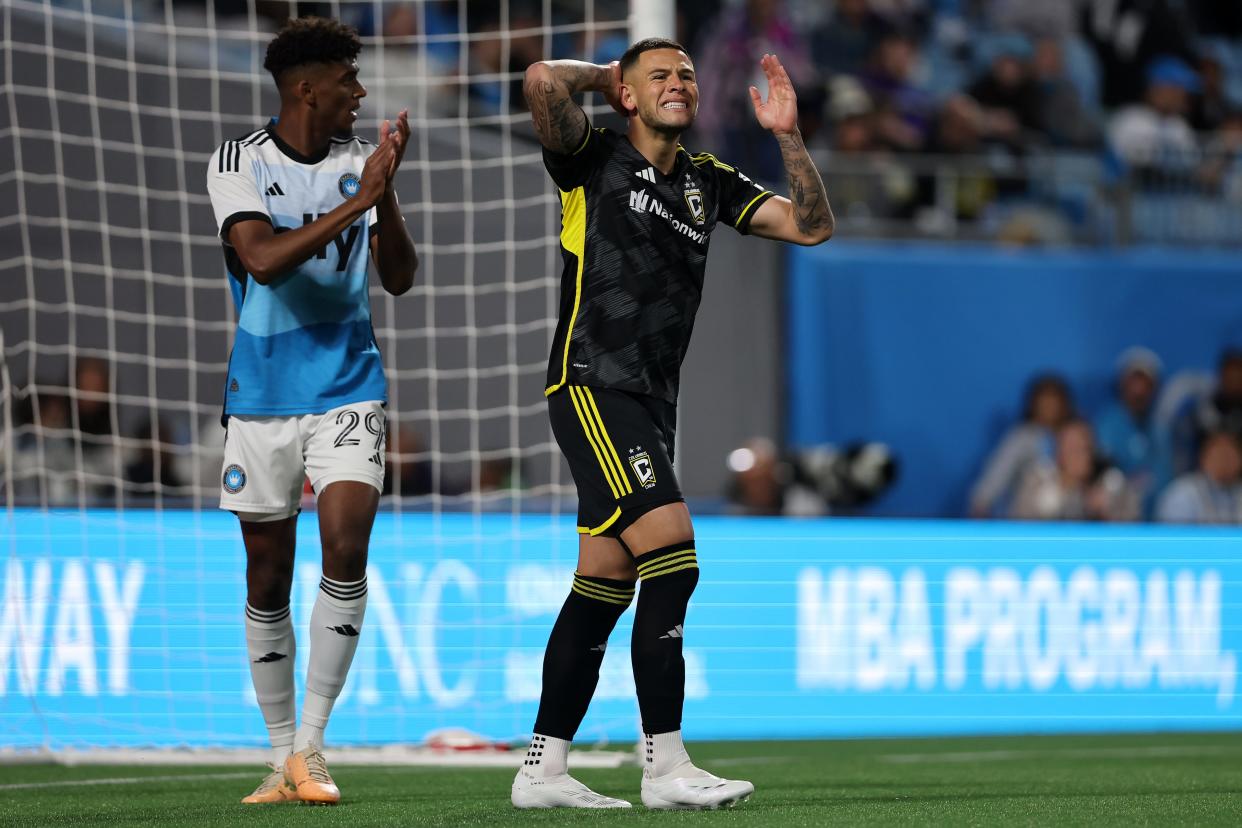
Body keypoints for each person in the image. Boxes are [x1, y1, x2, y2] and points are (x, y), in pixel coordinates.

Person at [513, 38, 833, 810]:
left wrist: (788, 134)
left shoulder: (708, 182)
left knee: (604, 581)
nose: (679, 84)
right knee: (676, 557)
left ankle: (542, 771)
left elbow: (812, 227)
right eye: (660, 75)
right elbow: (537, 81)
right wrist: (607, 76)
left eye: (687, 74)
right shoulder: (590, 158)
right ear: (627, 95)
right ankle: (665, 765)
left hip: (653, 401)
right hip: (592, 383)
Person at [205, 17, 418, 806]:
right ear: (306, 89)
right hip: (260, 395)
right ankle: (277, 755)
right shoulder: (238, 161)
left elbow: (397, 278)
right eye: (347, 81)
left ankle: (312, 748)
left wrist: (383, 200)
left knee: (345, 546)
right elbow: (259, 259)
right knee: (267, 575)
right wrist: (357, 200)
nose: (359, 94)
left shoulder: (363, 163)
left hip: (348, 386)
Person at [970, 374, 1074, 518]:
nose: (1050, 408)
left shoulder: (1075, 435)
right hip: (1025, 521)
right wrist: (981, 503)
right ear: (1034, 405)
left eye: (1054, 401)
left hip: (1070, 523)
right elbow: (996, 475)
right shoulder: (1021, 438)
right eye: (1045, 402)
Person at [1094, 347, 1173, 518]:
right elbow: (1104, 474)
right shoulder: (1107, 424)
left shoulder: (1161, 427)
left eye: (1145, 383)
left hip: (1158, 521)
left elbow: (1165, 475)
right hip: (1119, 520)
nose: (1139, 390)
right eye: (1133, 381)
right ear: (1122, 384)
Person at [1010, 419, 1139, 522]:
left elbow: (1134, 530)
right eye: (1073, 448)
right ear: (1058, 453)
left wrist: (1106, 512)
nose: (1081, 455)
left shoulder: (1111, 481)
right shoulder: (1037, 481)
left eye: (1086, 447)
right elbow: (1020, 527)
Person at [1156, 430, 1242, 524]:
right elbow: (1173, 536)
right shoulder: (1182, 493)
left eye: (1229, 455)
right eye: (1219, 454)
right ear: (1203, 458)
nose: (1224, 461)